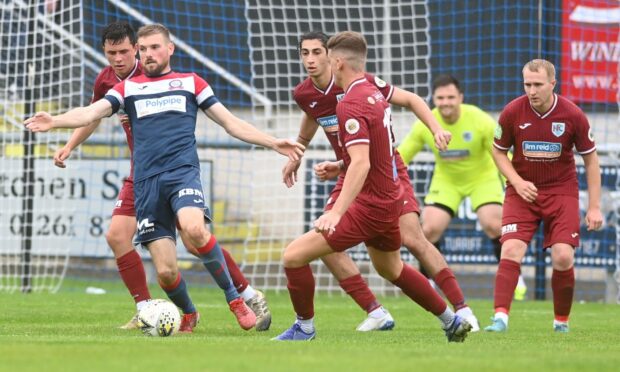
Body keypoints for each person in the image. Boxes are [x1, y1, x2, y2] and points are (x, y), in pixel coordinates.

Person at [26, 23, 304, 332]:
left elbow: (231, 122)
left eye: (152, 47)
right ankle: (183, 312)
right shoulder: (124, 88)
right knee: (167, 272)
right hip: (144, 181)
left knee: (195, 231)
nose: (146, 54)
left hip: (182, 174)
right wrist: (56, 122)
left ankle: (237, 298)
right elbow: (91, 113)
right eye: (143, 49)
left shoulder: (190, 82)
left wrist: (273, 141)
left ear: (170, 48)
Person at [273, 31, 472, 342]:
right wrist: (322, 159)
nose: (310, 59)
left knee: (293, 256)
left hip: (368, 195)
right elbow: (361, 149)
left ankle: (304, 328)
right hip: (379, 190)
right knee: (391, 268)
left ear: (334, 60)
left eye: (317, 52)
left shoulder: (351, 103)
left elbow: (363, 163)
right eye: (305, 53)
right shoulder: (370, 94)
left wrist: (337, 212)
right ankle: (450, 320)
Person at [485, 59, 603, 333]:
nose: (532, 90)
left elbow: (591, 161)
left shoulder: (573, 115)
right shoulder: (512, 111)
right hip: (521, 191)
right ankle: (500, 318)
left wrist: (594, 207)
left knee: (562, 256)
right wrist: (516, 181)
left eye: (538, 84)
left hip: (561, 191)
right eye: (527, 84)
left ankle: (561, 322)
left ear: (553, 84)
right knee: (512, 248)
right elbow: (498, 151)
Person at [398, 74, 528, 301]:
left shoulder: (480, 120)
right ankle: (427, 282)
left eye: (450, 97)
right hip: (447, 181)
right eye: (440, 98)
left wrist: (515, 182)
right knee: (428, 229)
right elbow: (401, 156)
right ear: (433, 99)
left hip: (482, 178)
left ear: (460, 97)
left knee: (493, 224)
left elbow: (501, 155)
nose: (446, 102)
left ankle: (514, 276)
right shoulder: (426, 124)